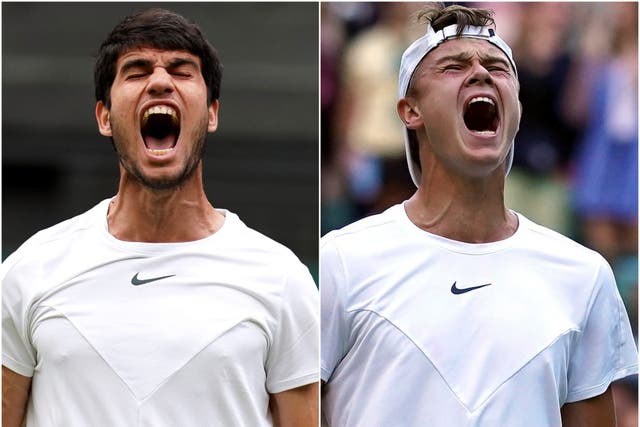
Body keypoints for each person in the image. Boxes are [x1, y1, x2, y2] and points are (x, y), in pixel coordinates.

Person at [320, 4, 637, 426]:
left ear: (518, 111)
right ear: (410, 111)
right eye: (453, 66)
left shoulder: (584, 275)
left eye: (497, 68)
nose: (481, 73)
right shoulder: (342, 261)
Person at [2, 9, 318, 427]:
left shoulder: (282, 279)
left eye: (182, 71)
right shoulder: (30, 269)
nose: (160, 81)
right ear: (104, 117)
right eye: (136, 71)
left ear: (211, 114)